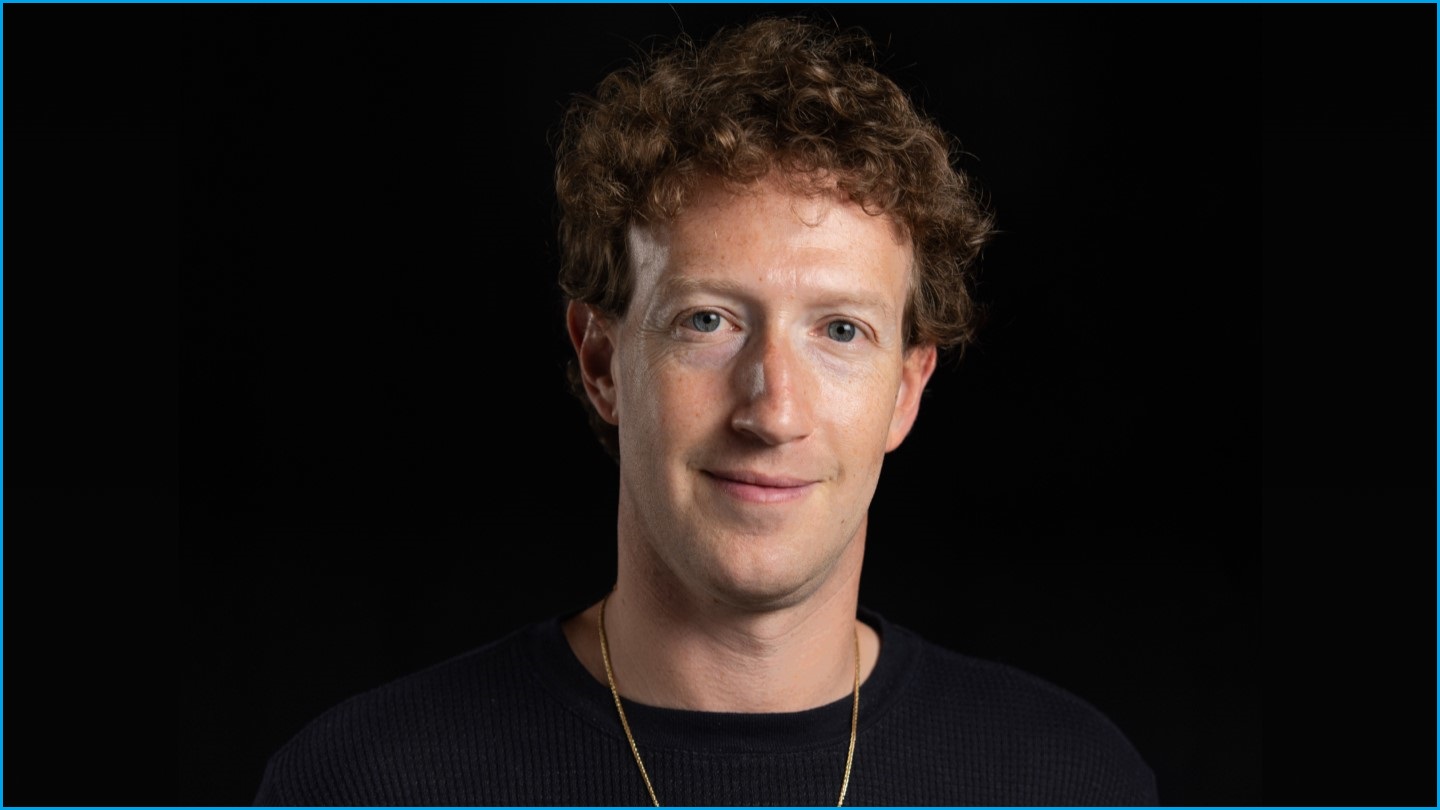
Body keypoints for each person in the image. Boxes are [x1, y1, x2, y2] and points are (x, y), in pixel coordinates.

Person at [254, 16, 1158, 806]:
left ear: (907, 390)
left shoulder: (1074, 783)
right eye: (709, 321)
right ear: (602, 360)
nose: (773, 410)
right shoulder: (363, 786)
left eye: (840, 330)